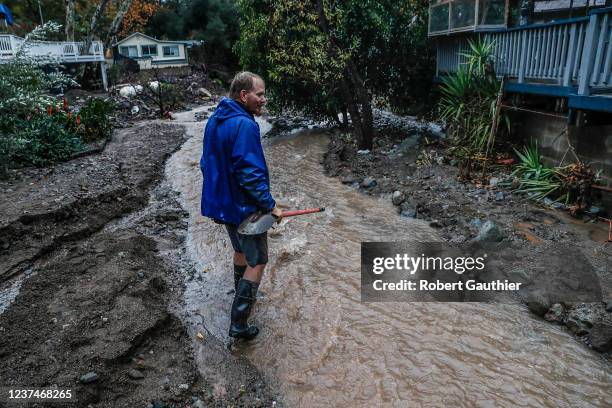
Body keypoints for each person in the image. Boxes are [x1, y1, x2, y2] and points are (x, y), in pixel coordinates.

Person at [200, 71, 282, 340]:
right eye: (259, 95)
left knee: (240, 251)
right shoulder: (246, 125)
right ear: (244, 95)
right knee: (258, 261)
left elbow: (206, 164)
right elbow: (250, 173)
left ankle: (240, 296)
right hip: (245, 207)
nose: (264, 100)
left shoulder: (215, 119)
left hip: (225, 205)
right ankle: (240, 322)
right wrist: (270, 205)